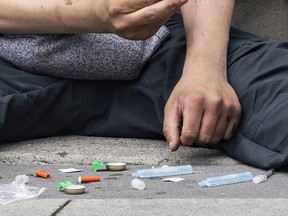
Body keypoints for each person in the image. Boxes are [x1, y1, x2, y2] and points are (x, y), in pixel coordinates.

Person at [0, 0, 287, 170]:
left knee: (278, 104)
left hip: (166, 41)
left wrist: (206, 69)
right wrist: (95, 14)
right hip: (11, 61)